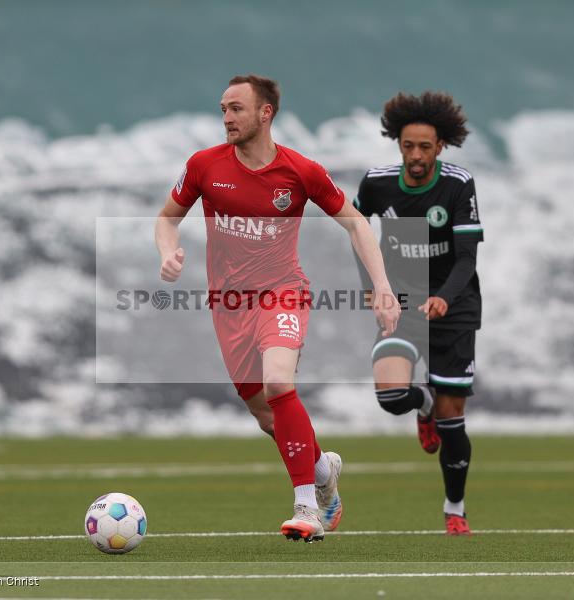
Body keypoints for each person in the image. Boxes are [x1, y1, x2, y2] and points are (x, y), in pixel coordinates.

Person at [156, 74, 400, 542]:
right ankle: (323, 470)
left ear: (265, 113)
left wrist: (382, 285)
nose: (226, 117)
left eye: (236, 109)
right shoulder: (204, 165)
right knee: (265, 413)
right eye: (223, 109)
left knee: (278, 382)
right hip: (227, 305)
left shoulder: (301, 171)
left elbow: (355, 224)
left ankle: (306, 505)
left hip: (282, 293)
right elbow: (167, 218)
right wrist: (167, 252)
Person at [354, 91, 483, 535]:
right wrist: (373, 287)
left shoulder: (458, 184)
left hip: (455, 305)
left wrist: (445, 296)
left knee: (453, 420)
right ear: (399, 144)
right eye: (408, 145)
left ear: (440, 147)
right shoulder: (377, 183)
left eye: (424, 147)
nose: (415, 155)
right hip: (404, 303)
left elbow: (466, 258)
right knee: (391, 397)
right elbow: (358, 231)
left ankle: (455, 508)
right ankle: (421, 404)